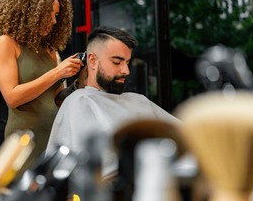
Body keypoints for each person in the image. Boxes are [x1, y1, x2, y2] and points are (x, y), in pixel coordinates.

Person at [45, 26, 180, 174]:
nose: (126, 71)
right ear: (93, 61)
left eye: (127, 63)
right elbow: (89, 171)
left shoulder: (138, 99)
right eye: (117, 62)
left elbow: (187, 134)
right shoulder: (80, 101)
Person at [0, 0, 87, 172]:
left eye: (57, 15)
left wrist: (77, 85)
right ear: (31, 11)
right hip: (24, 140)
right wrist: (58, 72)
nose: (53, 21)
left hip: (54, 135)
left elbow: (57, 99)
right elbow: (12, 97)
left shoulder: (51, 50)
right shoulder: (6, 43)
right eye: (48, 14)